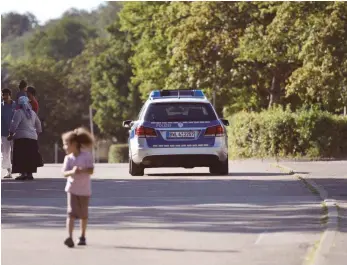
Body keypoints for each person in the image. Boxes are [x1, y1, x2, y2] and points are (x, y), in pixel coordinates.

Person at [61, 127, 94, 248]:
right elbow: (64, 173)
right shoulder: (68, 158)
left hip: (84, 190)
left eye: (66, 144)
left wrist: (82, 170)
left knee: (83, 215)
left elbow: (91, 170)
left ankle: (82, 236)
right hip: (72, 189)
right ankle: (69, 237)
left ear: (74, 144)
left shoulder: (86, 156)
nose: (64, 147)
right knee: (70, 213)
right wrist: (72, 172)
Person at [8, 96, 43, 180]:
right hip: (32, 138)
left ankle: (23, 174)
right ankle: (29, 174)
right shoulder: (33, 113)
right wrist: (36, 133)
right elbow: (38, 124)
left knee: (21, 156)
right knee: (30, 156)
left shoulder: (18, 112)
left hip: (21, 138)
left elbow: (14, 124)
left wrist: (11, 134)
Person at [1, 89, 16, 178]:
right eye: (3, 95)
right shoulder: (0, 106)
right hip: (4, 133)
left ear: (10, 95)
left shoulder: (16, 105)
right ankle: (9, 171)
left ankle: (19, 170)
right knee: (5, 152)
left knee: (16, 152)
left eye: (6, 95)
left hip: (15, 133)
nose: (4, 97)